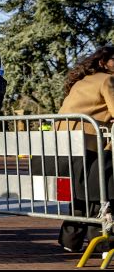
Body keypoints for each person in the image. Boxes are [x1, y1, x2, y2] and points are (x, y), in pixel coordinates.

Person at [56, 45, 114, 252]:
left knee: (80, 195)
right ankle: (102, 244)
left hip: (64, 142)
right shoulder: (107, 80)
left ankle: (70, 242)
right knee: (100, 193)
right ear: (102, 63)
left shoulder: (80, 82)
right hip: (89, 142)